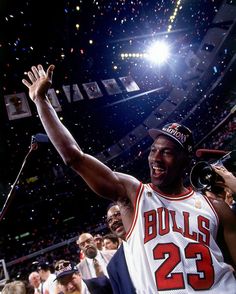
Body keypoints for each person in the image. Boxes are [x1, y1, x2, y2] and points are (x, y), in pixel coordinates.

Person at [22, 64, 236, 293]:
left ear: (185, 160)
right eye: (154, 150)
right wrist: (41, 101)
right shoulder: (133, 194)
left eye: (167, 152)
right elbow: (74, 157)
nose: (156, 158)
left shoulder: (215, 207)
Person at [106, 204, 136, 294]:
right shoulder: (112, 266)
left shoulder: (154, 240)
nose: (114, 221)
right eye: (110, 220)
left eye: (117, 214)